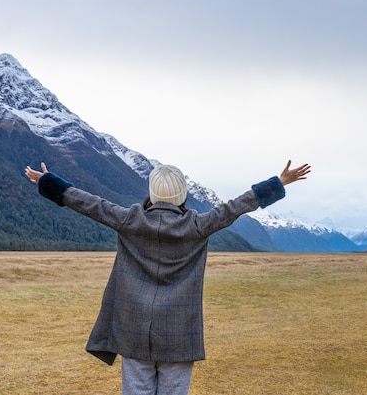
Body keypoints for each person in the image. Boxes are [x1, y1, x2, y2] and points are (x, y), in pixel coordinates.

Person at [25, 160, 311, 395]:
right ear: (182, 195)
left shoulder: (129, 220)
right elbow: (235, 207)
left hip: (133, 330)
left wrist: (49, 183)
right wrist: (279, 182)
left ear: (152, 192)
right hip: (180, 334)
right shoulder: (197, 226)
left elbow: (90, 204)